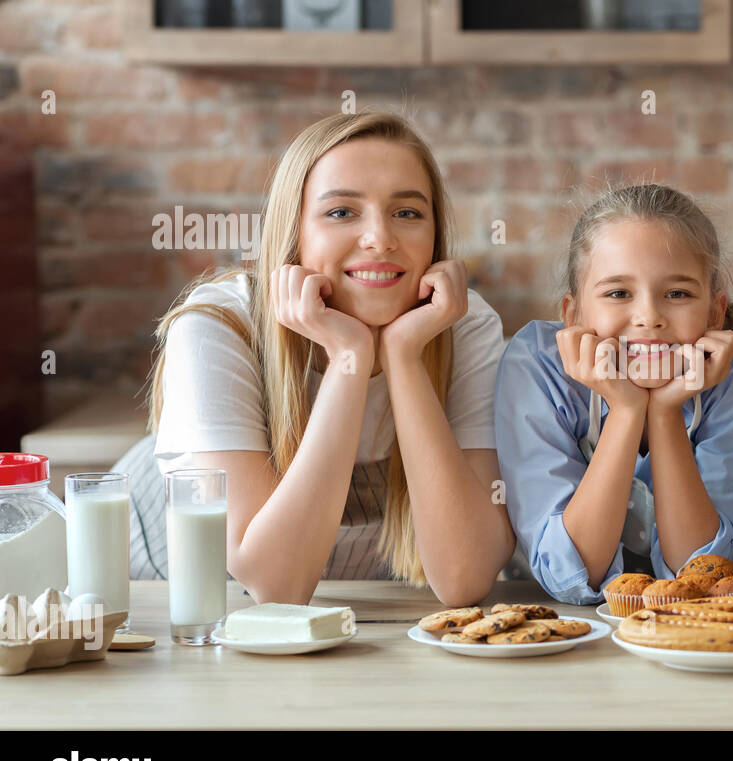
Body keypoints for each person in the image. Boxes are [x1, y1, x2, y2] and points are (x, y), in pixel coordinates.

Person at [126, 112, 514, 606]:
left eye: (408, 213)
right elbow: (276, 584)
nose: (380, 238)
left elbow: (465, 577)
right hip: (167, 596)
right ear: (294, 234)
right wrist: (349, 356)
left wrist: (403, 356)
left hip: (344, 615)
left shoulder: (463, 326)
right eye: (340, 213)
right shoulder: (216, 328)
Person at [494, 184, 733, 605]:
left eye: (677, 294)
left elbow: (701, 574)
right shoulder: (536, 365)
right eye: (618, 293)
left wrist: (665, 413)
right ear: (573, 314)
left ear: (714, 312)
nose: (649, 318)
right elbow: (569, 574)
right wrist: (626, 410)